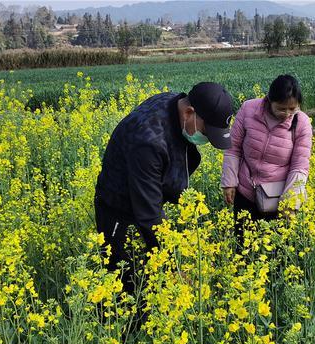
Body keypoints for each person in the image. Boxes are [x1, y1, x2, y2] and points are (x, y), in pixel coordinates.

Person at [95, 82, 233, 292]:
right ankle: (115, 322)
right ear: (189, 112)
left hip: (145, 196)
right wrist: (175, 266)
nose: (204, 138)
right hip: (118, 208)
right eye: (206, 131)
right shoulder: (148, 142)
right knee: (123, 283)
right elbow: (149, 215)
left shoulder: (174, 102)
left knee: (148, 273)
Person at [221, 75, 312, 244]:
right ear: (269, 100)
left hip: (276, 197)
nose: (287, 114)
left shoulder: (302, 123)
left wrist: (290, 204)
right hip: (245, 190)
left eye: (292, 109)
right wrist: (229, 182)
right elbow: (233, 148)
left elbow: (300, 166)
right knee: (243, 246)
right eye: (281, 109)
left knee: (274, 250)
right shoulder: (249, 109)